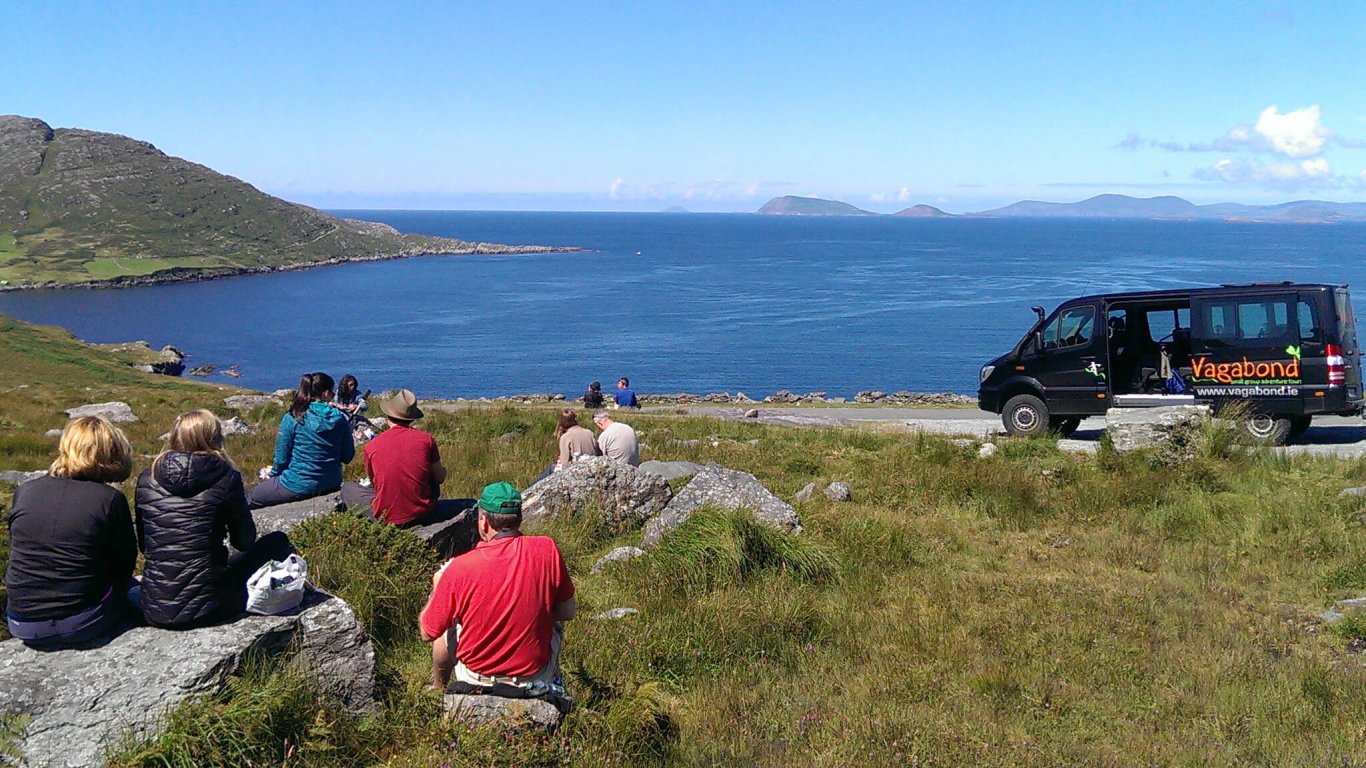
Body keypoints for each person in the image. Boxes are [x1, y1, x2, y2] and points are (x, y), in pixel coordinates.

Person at [136, 410, 296, 628]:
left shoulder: (147, 478)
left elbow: (146, 545)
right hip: (211, 606)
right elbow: (244, 541)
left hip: (153, 607)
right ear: (215, 439)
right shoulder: (226, 477)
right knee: (277, 540)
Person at [419, 482, 576, 695]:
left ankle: (438, 687)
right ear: (519, 519)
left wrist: (439, 584)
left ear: (483, 522)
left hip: (477, 678)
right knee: (554, 619)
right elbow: (567, 612)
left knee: (447, 625)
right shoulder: (547, 549)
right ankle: (553, 678)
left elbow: (427, 631)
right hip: (534, 676)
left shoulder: (459, 568)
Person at [4, 416, 139, 649]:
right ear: (110, 452)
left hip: (20, 622)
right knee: (137, 592)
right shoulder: (109, 499)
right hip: (80, 621)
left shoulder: (26, 491)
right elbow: (123, 567)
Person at [249, 372, 355, 509]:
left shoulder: (294, 417)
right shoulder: (340, 419)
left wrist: (273, 475)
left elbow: (281, 459)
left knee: (252, 497)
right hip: (332, 481)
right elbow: (347, 456)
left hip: (297, 483)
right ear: (326, 393)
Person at [340, 389, 447, 526]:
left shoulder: (372, 446)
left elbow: (375, 484)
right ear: (411, 418)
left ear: (388, 415)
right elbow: (440, 478)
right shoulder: (426, 440)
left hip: (386, 517)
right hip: (423, 514)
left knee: (347, 488)